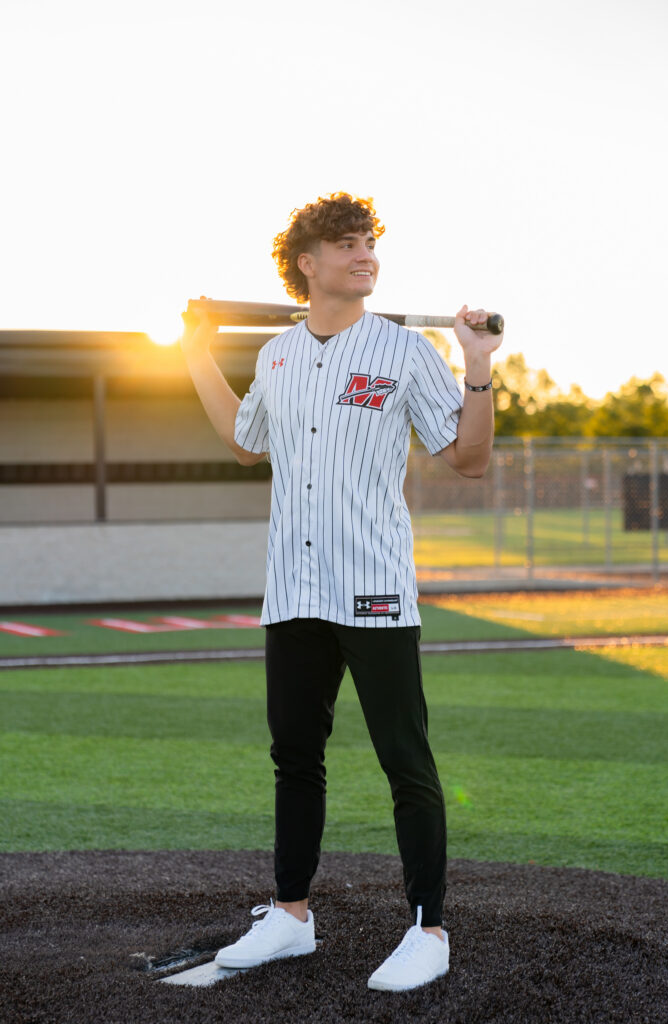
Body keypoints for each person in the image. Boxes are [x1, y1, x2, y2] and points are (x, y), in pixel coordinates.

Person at [181, 192, 503, 992]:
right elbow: (243, 442)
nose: (364, 254)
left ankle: (428, 927)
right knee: (295, 757)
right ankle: (289, 916)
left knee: (405, 758)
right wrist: (194, 353)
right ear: (306, 264)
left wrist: (477, 365)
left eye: (368, 243)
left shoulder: (403, 351)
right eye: (345, 243)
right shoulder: (277, 357)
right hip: (292, 589)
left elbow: (466, 459)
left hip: (375, 590)